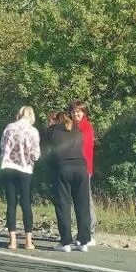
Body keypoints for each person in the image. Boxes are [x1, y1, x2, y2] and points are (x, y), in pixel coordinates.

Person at [47, 110, 92, 252]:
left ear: (54, 120)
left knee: (63, 205)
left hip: (63, 168)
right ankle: (83, 241)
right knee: (82, 204)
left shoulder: (52, 132)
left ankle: (65, 242)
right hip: (81, 168)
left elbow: (48, 153)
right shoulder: (77, 131)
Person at [0, 106, 41, 250]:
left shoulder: (9, 128)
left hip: (8, 167)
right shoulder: (32, 131)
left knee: (11, 204)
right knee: (25, 203)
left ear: (19, 114)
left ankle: (13, 241)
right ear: (31, 116)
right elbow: (36, 153)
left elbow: (2, 146)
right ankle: (28, 242)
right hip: (25, 169)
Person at [69, 101, 96, 245]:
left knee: (86, 201)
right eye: (73, 112)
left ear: (84, 113)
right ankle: (80, 232)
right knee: (76, 201)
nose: (75, 114)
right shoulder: (72, 126)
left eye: (78, 111)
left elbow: (83, 149)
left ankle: (89, 233)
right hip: (74, 168)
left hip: (84, 169)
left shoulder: (86, 127)